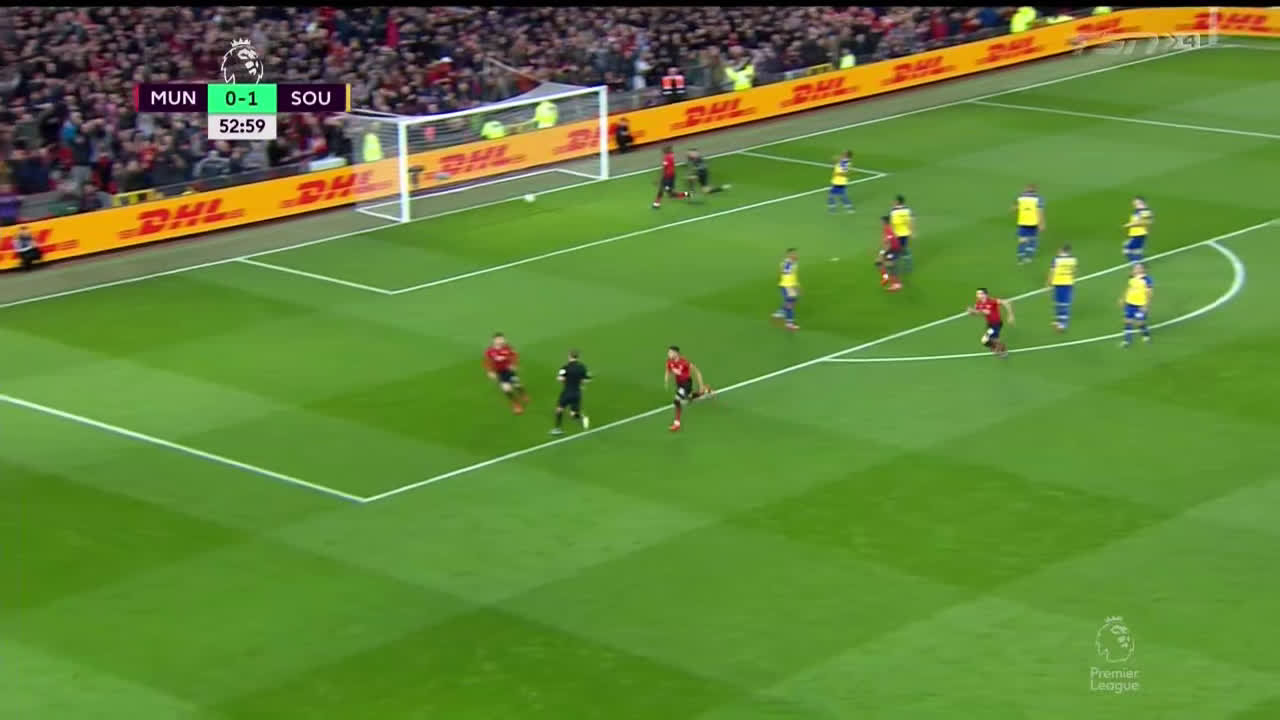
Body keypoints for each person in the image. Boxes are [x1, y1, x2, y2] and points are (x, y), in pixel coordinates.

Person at [665, 345, 711, 432]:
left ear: (676, 353)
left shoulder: (684, 362)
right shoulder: (670, 362)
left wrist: (701, 385)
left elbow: (697, 372)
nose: (668, 354)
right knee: (688, 398)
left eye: (670, 352)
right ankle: (705, 392)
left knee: (677, 401)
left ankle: (677, 424)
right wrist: (666, 379)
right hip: (679, 384)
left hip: (686, 384)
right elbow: (668, 370)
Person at [484, 333, 530, 414]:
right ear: (494, 340)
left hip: (509, 371)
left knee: (517, 385)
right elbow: (487, 362)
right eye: (498, 339)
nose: (501, 341)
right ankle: (516, 404)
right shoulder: (489, 351)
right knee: (507, 389)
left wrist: (514, 365)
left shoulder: (507, 348)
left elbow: (515, 355)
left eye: (502, 339)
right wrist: (490, 372)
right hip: (500, 373)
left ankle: (523, 394)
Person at [551, 350, 591, 435]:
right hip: (577, 393)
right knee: (573, 414)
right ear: (578, 357)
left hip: (567, 392)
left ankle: (557, 429)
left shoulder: (565, 367)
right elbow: (586, 380)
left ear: (569, 356)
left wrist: (565, 380)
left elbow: (560, 378)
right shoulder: (582, 367)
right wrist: (581, 384)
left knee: (559, 409)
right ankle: (583, 418)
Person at [968, 287, 1014, 358]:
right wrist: (972, 312)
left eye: (980, 293)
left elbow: (1006, 302)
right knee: (987, 340)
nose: (978, 295)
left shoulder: (991, 301)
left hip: (996, 324)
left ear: (985, 294)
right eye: (978, 294)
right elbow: (978, 313)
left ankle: (1002, 350)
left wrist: (1010, 315)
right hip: (990, 325)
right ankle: (1000, 349)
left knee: (989, 340)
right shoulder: (978, 304)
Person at [1120, 263, 1153, 347]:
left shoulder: (1147, 280)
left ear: (1143, 269)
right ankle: (1127, 341)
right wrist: (1123, 299)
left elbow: (1149, 293)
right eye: (1135, 268)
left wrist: (1146, 305)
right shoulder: (1131, 277)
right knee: (1127, 321)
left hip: (1140, 305)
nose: (1136, 269)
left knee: (1140, 323)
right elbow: (1129, 289)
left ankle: (1146, 335)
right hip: (1130, 304)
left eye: (1138, 268)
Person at [1047, 244, 1077, 332]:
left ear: (1061, 250)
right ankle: (1060, 322)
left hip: (1058, 283)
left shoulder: (1056, 259)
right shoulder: (1073, 260)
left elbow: (1052, 272)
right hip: (1068, 283)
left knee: (1060, 304)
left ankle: (1062, 325)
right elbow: (1074, 271)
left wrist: (1048, 283)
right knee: (1064, 303)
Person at [1014, 183, 1045, 264]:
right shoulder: (1038, 199)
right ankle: (1028, 257)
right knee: (1032, 240)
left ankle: (1020, 258)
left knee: (1022, 240)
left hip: (1023, 222)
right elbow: (1040, 212)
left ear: (1026, 189)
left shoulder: (1021, 198)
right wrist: (1041, 224)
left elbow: (1015, 209)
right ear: (1035, 190)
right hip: (1033, 223)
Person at [772, 248, 801, 330]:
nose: (796, 255)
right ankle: (790, 323)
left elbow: (783, 274)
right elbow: (787, 276)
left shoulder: (791, 263)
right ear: (789, 255)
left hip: (788, 285)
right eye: (794, 254)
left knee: (793, 301)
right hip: (788, 286)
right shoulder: (788, 264)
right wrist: (795, 287)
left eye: (796, 253)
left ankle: (780, 312)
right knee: (790, 305)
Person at [876, 216, 903, 291]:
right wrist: (882, 252)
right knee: (878, 263)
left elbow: (889, 243)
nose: (880, 223)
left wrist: (882, 253)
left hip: (894, 250)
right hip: (891, 249)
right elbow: (886, 242)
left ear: (884, 222)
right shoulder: (887, 228)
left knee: (890, 266)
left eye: (881, 221)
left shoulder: (888, 229)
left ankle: (896, 284)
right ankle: (886, 278)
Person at [889, 194, 915, 272]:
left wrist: (891, 234)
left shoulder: (893, 211)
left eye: (895, 201)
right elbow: (911, 221)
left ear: (897, 201)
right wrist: (912, 232)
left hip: (896, 234)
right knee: (904, 249)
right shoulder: (908, 210)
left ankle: (894, 267)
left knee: (896, 250)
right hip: (905, 233)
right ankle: (908, 266)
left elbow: (892, 223)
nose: (894, 202)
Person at [1123, 196, 1153, 262]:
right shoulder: (1137, 210)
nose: (1133, 203)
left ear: (1141, 202)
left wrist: (1129, 225)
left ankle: (1136, 263)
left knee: (1129, 250)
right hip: (1136, 233)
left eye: (1136, 202)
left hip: (1139, 233)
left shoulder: (1144, 211)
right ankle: (1137, 261)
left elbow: (1145, 222)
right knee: (1133, 249)